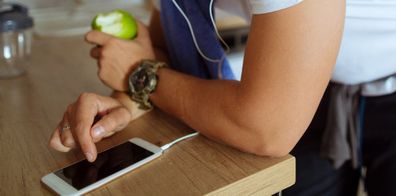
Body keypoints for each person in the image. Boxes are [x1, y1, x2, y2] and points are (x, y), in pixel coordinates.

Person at [48, 0, 396, 195]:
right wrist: (127, 102)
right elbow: (164, 43)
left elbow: (266, 128)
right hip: (321, 85)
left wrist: (142, 76)